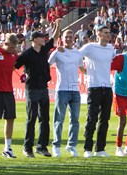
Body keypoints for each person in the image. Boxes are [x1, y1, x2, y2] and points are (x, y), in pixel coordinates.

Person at [15, 19, 62, 158]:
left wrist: (58, 25)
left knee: (44, 118)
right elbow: (14, 65)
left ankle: (42, 147)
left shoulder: (44, 49)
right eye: (41, 37)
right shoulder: (27, 54)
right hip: (32, 88)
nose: (44, 38)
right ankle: (27, 147)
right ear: (35, 39)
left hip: (43, 88)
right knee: (32, 118)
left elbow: (54, 38)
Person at [80, 26, 117, 158]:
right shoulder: (90, 47)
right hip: (94, 87)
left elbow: (114, 59)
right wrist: (83, 69)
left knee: (105, 120)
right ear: (98, 34)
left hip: (107, 87)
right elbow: (78, 55)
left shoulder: (110, 48)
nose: (109, 35)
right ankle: (87, 148)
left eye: (109, 33)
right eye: (106, 33)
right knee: (92, 118)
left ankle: (100, 149)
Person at [49, 30, 86, 158]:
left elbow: (82, 69)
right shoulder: (58, 52)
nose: (69, 39)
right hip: (62, 89)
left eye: (71, 37)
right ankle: (56, 145)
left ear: (74, 38)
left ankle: (71, 145)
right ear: (62, 39)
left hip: (75, 90)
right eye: (66, 37)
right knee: (59, 119)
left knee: (74, 120)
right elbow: (46, 64)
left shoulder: (78, 53)